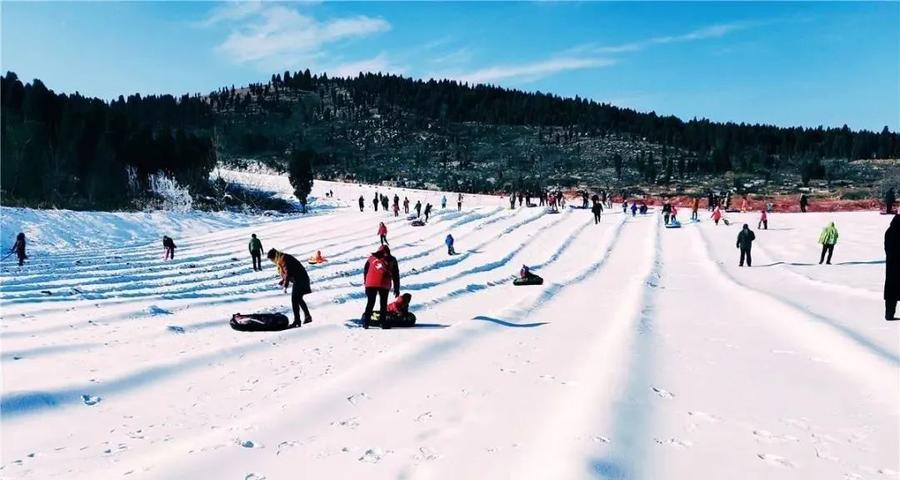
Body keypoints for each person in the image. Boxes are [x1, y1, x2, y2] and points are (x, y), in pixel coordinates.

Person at [267, 249, 312, 327]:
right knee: (298, 299)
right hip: (300, 279)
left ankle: (297, 321)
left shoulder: (283, 259)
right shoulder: (282, 258)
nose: (272, 261)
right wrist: (283, 280)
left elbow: (288, 272)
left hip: (300, 279)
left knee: (295, 300)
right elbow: (288, 272)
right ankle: (307, 317)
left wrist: (285, 285)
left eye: (271, 260)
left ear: (274, 257)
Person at [362, 245, 401, 329]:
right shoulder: (392, 259)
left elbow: (365, 271)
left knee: (370, 303)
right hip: (384, 283)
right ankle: (382, 323)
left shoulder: (371, 258)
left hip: (370, 283)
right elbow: (396, 274)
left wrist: (366, 283)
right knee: (383, 304)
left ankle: (366, 323)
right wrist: (396, 288)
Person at [884, 215, 900, 320]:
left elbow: (886, 247)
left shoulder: (889, 231)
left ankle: (889, 314)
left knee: (891, 293)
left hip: (891, 266)